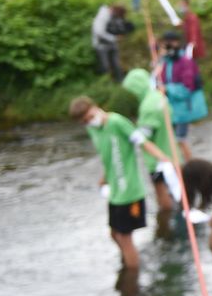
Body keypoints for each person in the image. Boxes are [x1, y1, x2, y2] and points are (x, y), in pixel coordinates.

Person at [69, 95, 172, 273]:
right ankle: (130, 262)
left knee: (125, 237)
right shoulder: (93, 130)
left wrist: (166, 160)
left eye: (90, 116)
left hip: (130, 191)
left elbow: (143, 143)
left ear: (95, 107)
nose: (90, 121)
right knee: (114, 234)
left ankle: (132, 279)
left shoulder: (117, 122)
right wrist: (105, 178)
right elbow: (108, 156)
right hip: (115, 192)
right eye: (85, 121)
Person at [121, 68, 177, 214]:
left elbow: (144, 136)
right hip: (172, 152)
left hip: (157, 159)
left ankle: (166, 221)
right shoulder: (159, 96)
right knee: (176, 188)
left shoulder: (147, 106)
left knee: (161, 192)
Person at [155, 30, 205, 159]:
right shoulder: (165, 63)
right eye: (165, 43)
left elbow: (186, 89)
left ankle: (189, 168)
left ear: (177, 43)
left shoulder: (185, 62)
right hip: (170, 110)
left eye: (170, 42)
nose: (168, 45)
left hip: (183, 110)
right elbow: (159, 82)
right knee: (170, 141)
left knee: (179, 140)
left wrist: (167, 88)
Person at [92, 3, 133, 82]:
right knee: (105, 66)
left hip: (112, 44)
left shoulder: (114, 17)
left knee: (117, 65)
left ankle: (120, 82)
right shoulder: (103, 16)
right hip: (102, 45)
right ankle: (106, 83)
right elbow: (99, 32)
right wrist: (114, 38)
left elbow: (118, 28)